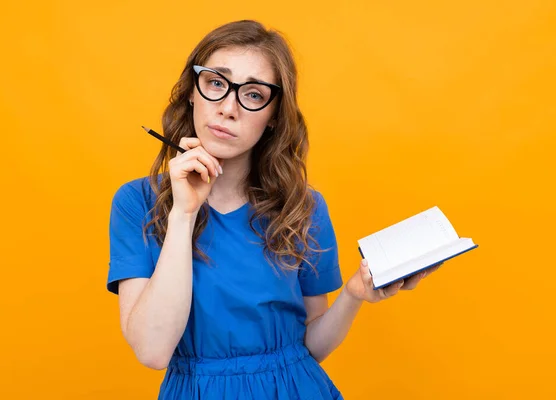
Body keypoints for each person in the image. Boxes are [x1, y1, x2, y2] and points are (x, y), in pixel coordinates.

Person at [107, 19, 441, 399]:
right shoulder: (137, 203)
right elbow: (152, 351)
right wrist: (183, 214)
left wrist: (352, 294)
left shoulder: (304, 206)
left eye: (253, 94)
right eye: (216, 83)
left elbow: (311, 347)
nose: (228, 108)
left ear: (272, 117)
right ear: (191, 93)